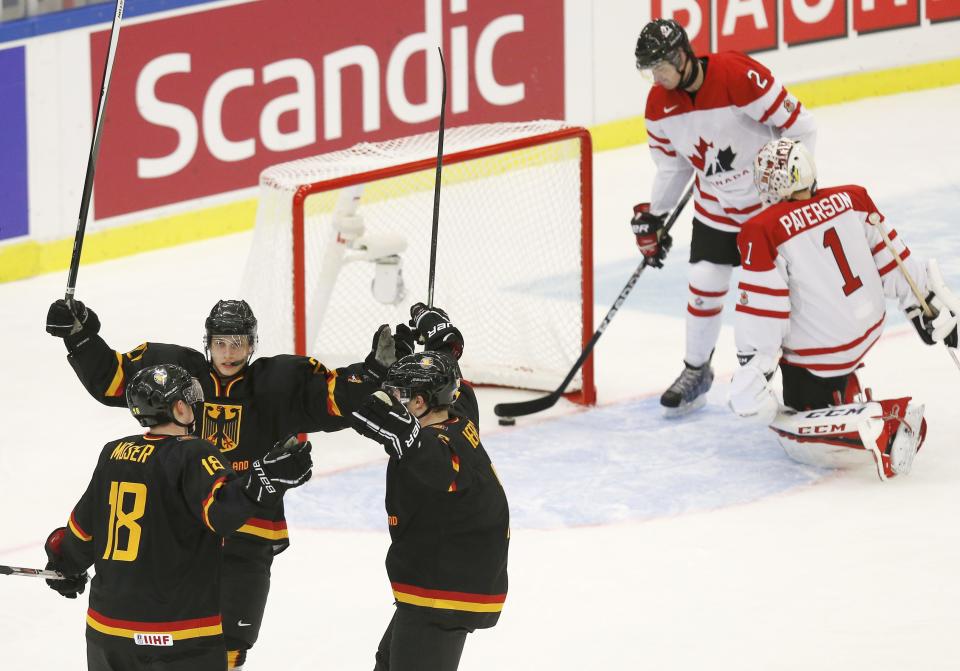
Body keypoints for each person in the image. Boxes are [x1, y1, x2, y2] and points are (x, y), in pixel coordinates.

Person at [45, 298, 400, 669]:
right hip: (184, 532)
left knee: (226, 644)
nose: (229, 353)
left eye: (238, 344)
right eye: (220, 343)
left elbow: (334, 398)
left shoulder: (276, 381)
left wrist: (373, 372)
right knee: (183, 637)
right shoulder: (177, 375)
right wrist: (80, 337)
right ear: (207, 342)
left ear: (253, 344)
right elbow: (114, 378)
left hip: (247, 530)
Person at [43, 364, 313, 670]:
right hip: (178, 637)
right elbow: (223, 514)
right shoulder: (193, 452)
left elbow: (79, 536)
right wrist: (263, 479)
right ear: (179, 407)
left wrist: (64, 566)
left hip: (108, 632)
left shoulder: (112, 453)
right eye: (189, 398)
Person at [728, 137, 960, 480]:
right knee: (830, 338)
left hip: (820, 348)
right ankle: (845, 390)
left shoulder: (764, 230)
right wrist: (923, 303)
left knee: (795, 401)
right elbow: (894, 258)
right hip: (868, 328)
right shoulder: (852, 198)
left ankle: (855, 420)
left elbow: (764, 309)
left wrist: (755, 369)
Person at [632, 17, 818, 416]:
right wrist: (655, 216)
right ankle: (696, 370)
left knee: (785, 295)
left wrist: (796, 188)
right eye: (651, 71)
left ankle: (802, 371)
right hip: (715, 209)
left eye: (661, 67)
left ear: (682, 56)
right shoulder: (658, 105)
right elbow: (674, 169)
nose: (657, 78)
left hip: (769, 210)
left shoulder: (738, 75)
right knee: (702, 283)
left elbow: (801, 127)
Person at [348, 305, 509, 671]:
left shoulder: (438, 449)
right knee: (387, 662)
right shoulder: (459, 414)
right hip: (449, 575)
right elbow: (453, 377)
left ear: (420, 402)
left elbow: (433, 463)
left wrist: (400, 429)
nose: (394, 398)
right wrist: (442, 346)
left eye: (401, 394)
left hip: (445, 588)